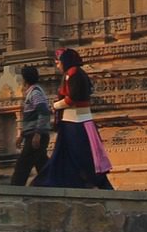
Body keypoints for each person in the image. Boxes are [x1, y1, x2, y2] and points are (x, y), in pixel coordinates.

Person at [33, 47, 113, 189]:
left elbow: (73, 98)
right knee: (68, 155)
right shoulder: (76, 73)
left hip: (76, 124)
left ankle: (91, 181)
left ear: (65, 61)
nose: (57, 65)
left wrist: (56, 105)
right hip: (75, 122)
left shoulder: (73, 73)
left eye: (58, 62)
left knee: (79, 155)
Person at [9, 65, 52, 187]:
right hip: (33, 134)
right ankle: (52, 186)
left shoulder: (35, 93)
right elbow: (31, 117)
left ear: (24, 80)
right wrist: (22, 135)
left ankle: (15, 191)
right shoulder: (33, 92)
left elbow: (44, 112)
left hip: (36, 135)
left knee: (23, 165)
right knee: (42, 165)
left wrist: (37, 133)